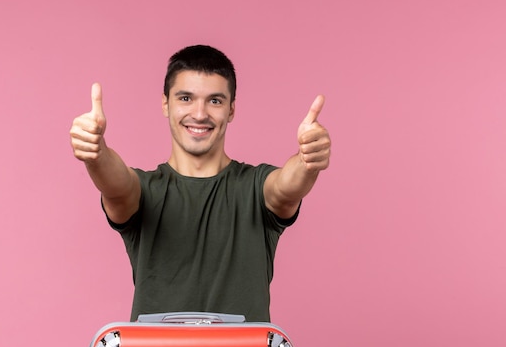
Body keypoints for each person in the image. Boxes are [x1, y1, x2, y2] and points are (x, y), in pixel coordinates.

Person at [70, 45, 331, 322]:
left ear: (231, 109)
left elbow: (285, 188)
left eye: (215, 101)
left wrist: (307, 160)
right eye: (185, 98)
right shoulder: (145, 191)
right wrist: (96, 154)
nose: (199, 113)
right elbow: (117, 185)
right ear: (165, 104)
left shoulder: (255, 188)